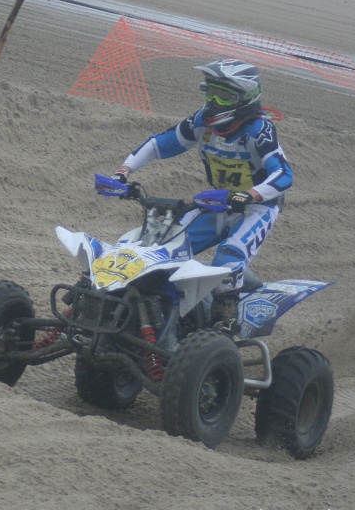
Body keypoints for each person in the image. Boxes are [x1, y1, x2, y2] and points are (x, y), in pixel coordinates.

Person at [112, 59, 293, 330]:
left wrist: (251, 195)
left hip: (257, 208)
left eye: (223, 95)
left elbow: (284, 175)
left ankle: (224, 324)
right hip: (218, 203)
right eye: (210, 92)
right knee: (162, 246)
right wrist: (123, 171)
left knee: (228, 258)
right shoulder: (202, 122)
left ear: (244, 98)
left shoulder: (259, 131)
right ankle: (164, 309)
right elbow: (161, 144)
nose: (214, 101)